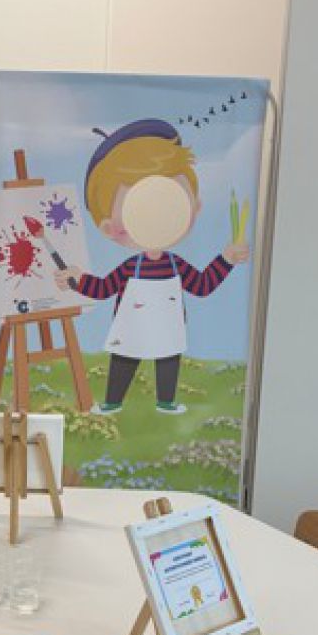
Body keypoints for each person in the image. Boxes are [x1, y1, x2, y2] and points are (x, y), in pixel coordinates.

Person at [55, 118, 249, 414]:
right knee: (124, 359)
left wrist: (226, 259)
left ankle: (166, 400)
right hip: (131, 328)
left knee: (168, 359)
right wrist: (76, 279)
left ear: (194, 208)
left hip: (168, 327)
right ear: (109, 227)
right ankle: (113, 401)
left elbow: (202, 285)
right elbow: (104, 288)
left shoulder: (176, 265)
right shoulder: (129, 267)